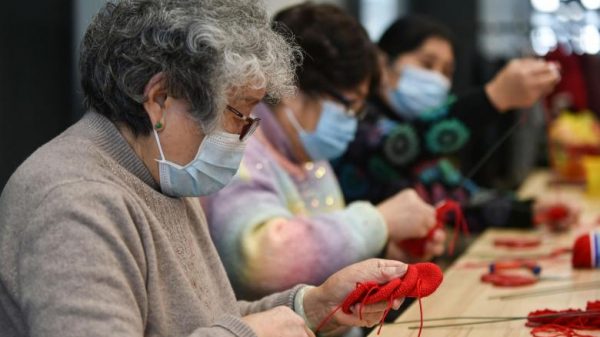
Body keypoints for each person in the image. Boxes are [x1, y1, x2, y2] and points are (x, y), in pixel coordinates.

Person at [0, 1, 413, 336]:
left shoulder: (164, 172)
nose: (246, 138)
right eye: (238, 115)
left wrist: (311, 305)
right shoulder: (74, 202)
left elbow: (204, 317)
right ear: (160, 98)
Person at [204, 3, 444, 301]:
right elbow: (261, 261)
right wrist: (379, 221)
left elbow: (320, 258)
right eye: (347, 106)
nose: (352, 121)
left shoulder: (304, 153)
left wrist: (386, 253)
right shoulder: (239, 148)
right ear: (292, 90)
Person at [333, 15, 573, 234]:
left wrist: (531, 211)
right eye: (427, 65)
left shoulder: (421, 136)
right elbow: (397, 147)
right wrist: (493, 98)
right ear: (383, 64)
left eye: (447, 71)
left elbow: (460, 202)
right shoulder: (355, 123)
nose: (437, 79)